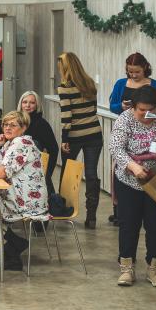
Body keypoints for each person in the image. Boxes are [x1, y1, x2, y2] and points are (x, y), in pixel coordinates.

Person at [107, 86, 156, 288]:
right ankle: (127, 268)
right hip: (129, 179)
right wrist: (133, 166)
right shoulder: (125, 119)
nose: (146, 114)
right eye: (141, 110)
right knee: (129, 224)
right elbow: (115, 147)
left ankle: (155, 269)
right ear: (133, 107)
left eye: (151, 110)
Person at [0, 110, 42, 272]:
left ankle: (11, 252)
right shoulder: (9, 143)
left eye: (13, 125)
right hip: (14, 193)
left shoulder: (22, 143)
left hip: (26, 200)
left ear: (23, 127)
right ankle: (13, 245)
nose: (7, 128)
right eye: (5, 124)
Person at [57, 51, 103, 228]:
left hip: (74, 136)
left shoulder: (64, 88)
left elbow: (67, 116)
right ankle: (91, 217)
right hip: (94, 133)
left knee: (67, 173)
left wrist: (64, 139)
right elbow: (93, 109)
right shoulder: (90, 83)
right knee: (91, 174)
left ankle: (63, 209)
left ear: (65, 68)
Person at [18, 90, 59, 189]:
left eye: (32, 103)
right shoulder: (16, 121)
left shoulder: (42, 124)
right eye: (25, 102)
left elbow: (54, 150)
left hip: (35, 174)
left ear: (37, 105)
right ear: (20, 104)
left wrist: (46, 173)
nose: (27, 105)